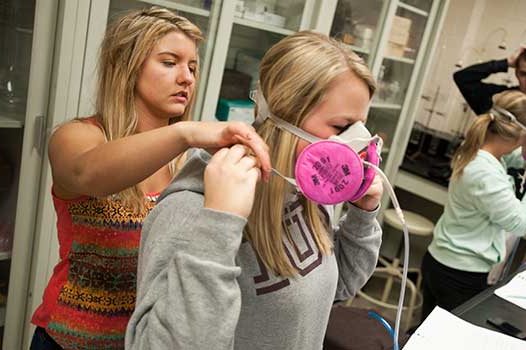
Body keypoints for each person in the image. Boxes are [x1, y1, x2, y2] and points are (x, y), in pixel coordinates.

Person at [29, 7, 271, 350]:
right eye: (170, 62)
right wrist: (186, 133)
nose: (187, 77)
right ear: (126, 66)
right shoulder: (77, 137)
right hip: (69, 343)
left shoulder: (193, 161)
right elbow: (89, 174)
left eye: (192, 66)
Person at [126, 31, 383, 349]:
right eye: (342, 128)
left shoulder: (307, 189)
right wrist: (219, 225)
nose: (357, 143)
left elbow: (338, 286)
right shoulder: (192, 208)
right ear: (284, 118)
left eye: (361, 126)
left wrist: (363, 213)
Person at [420, 90, 526, 321]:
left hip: (442, 262)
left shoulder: (479, 149)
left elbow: (517, 157)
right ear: (519, 136)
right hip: (460, 274)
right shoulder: (485, 172)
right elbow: (520, 223)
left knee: (427, 335)